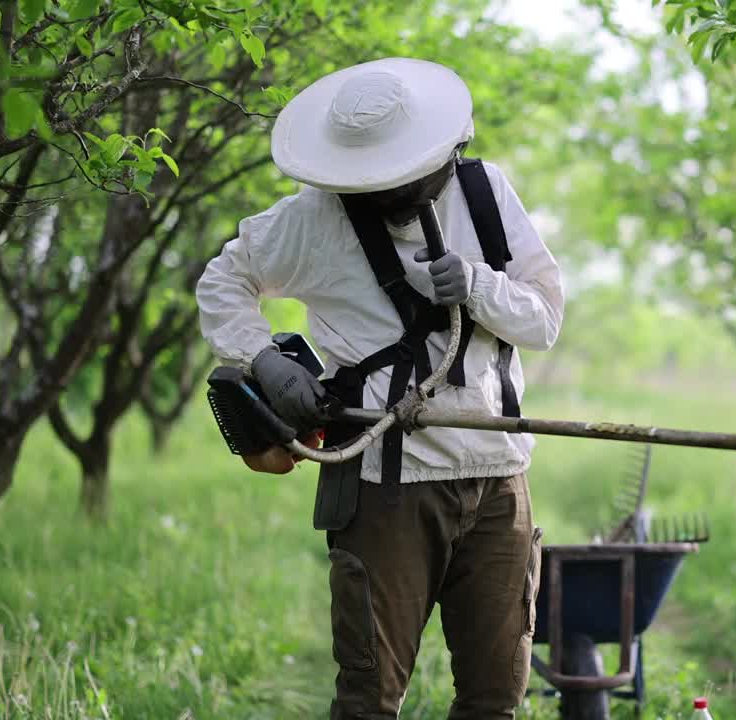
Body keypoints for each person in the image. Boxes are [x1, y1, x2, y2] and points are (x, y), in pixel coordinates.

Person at [195, 57, 564, 719]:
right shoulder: (313, 218)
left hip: (499, 481)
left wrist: (479, 287)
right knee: (369, 700)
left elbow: (544, 318)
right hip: (384, 482)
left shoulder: (485, 194)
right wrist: (265, 362)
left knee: (496, 699)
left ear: (446, 149)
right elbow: (222, 283)